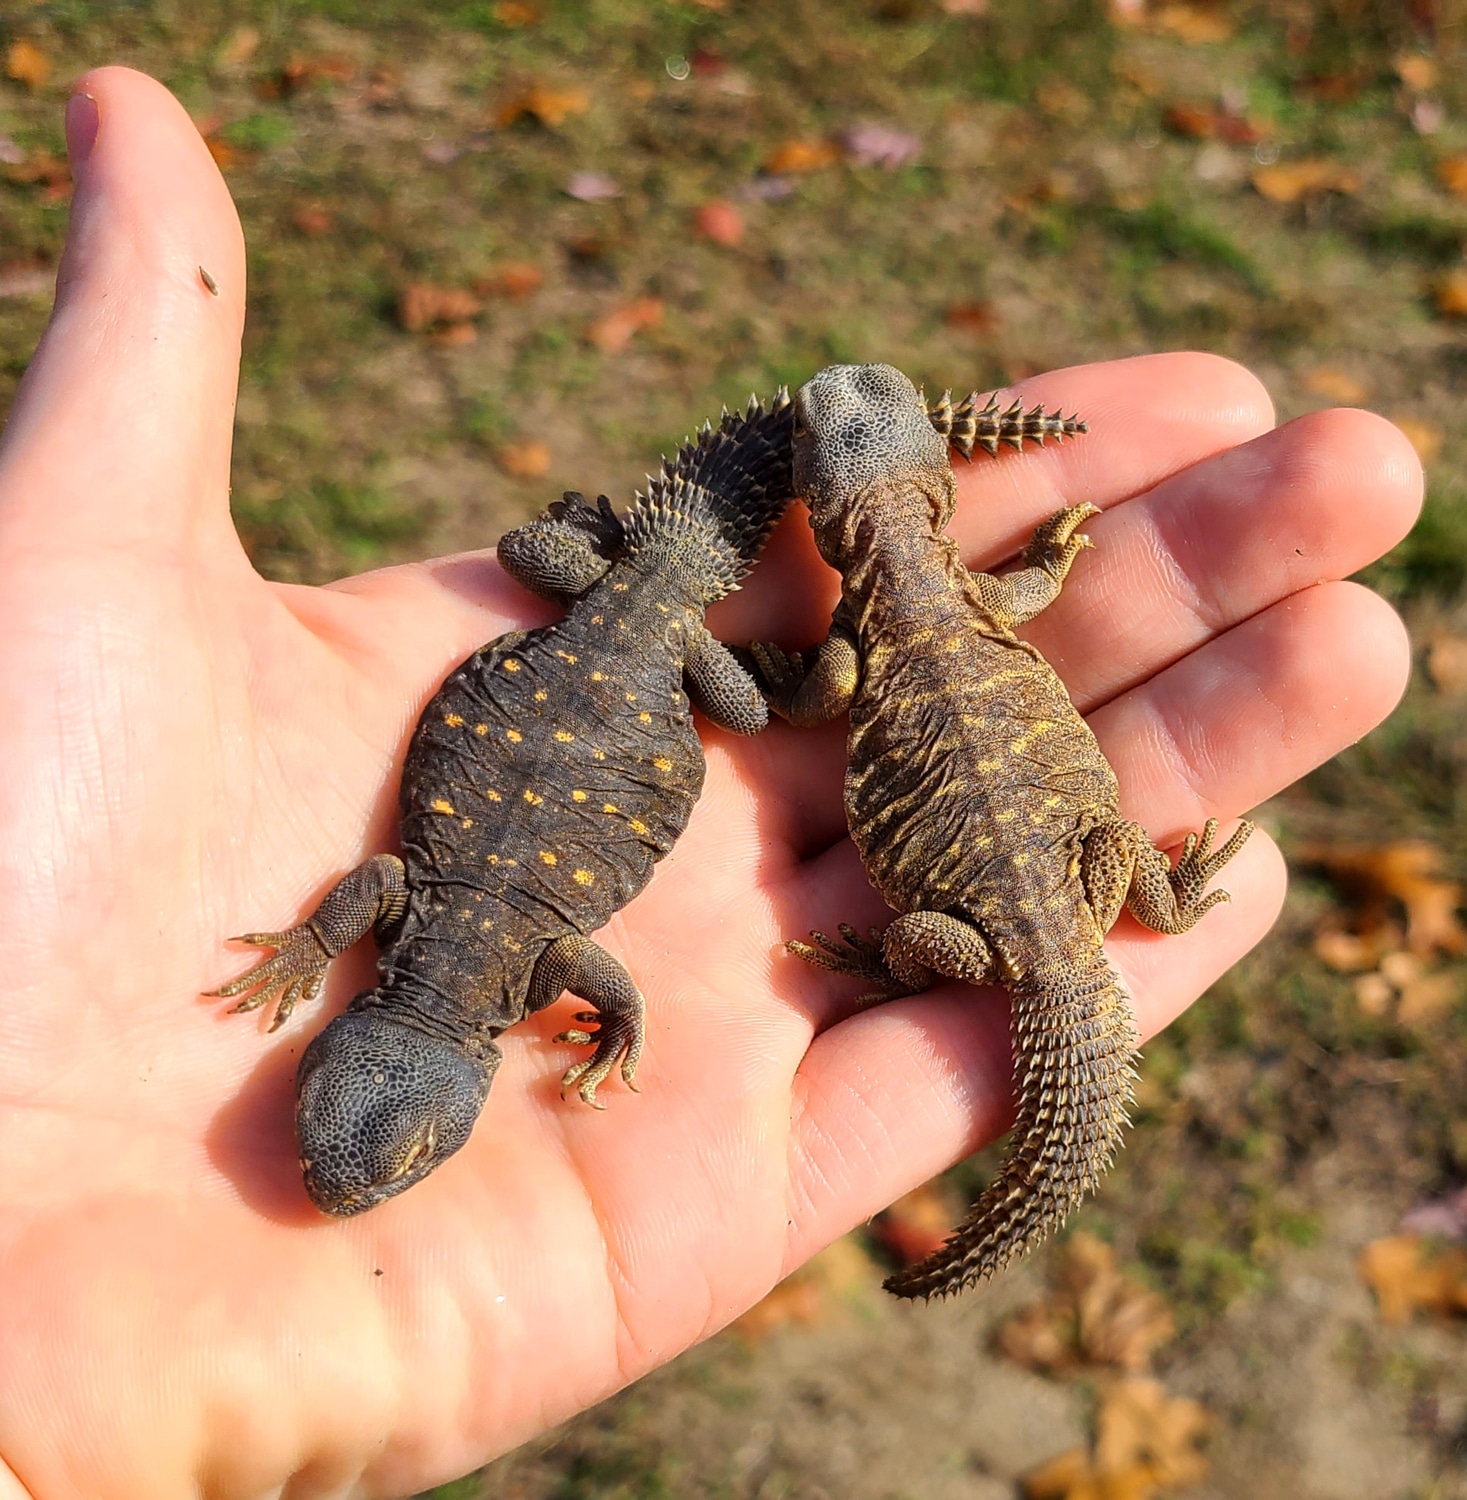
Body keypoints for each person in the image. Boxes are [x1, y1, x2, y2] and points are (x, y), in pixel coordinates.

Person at [0, 67, 1419, 1500]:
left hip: (904, 855)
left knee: (965, 886)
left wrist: (862, 931)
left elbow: (765, 722)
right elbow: (501, 914)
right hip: (915, 799)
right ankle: (1155, 893)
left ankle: (1104, 921)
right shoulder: (546, 938)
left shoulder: (821, 678)